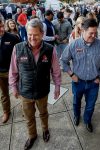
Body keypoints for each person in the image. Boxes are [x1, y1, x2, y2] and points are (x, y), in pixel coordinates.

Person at [9, 18, 61, 150]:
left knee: (43, 113)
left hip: (42, 91)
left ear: (42, 34)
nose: (32, 38)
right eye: (29, 34)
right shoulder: (18, 48)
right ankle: (32, 135)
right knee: (28, 117)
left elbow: (55, 70)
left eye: (35, 35)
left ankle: (45, 130)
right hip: (25, 92)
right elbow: (13, 70)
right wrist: (13, 86)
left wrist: (57, 86)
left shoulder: (50, 50)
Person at [60, 18, 100, 132]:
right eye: (91, 33)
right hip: (78, 82)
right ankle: (76, 115)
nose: (93, 35)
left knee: (90, 105)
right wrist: (71, 74)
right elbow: (63, 60)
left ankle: (87, 120)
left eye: (95, 33)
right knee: (76, 101)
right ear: (83, 31)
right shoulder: (74, 45)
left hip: (93, 83)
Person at [0, 16, 20, 123]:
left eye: (2, 26)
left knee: (20, 91)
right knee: (4, 94)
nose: (1, 29)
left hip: (13, 71)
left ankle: (24, 109)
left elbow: (21, 54)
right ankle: (6, 112)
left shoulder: (13, 38)